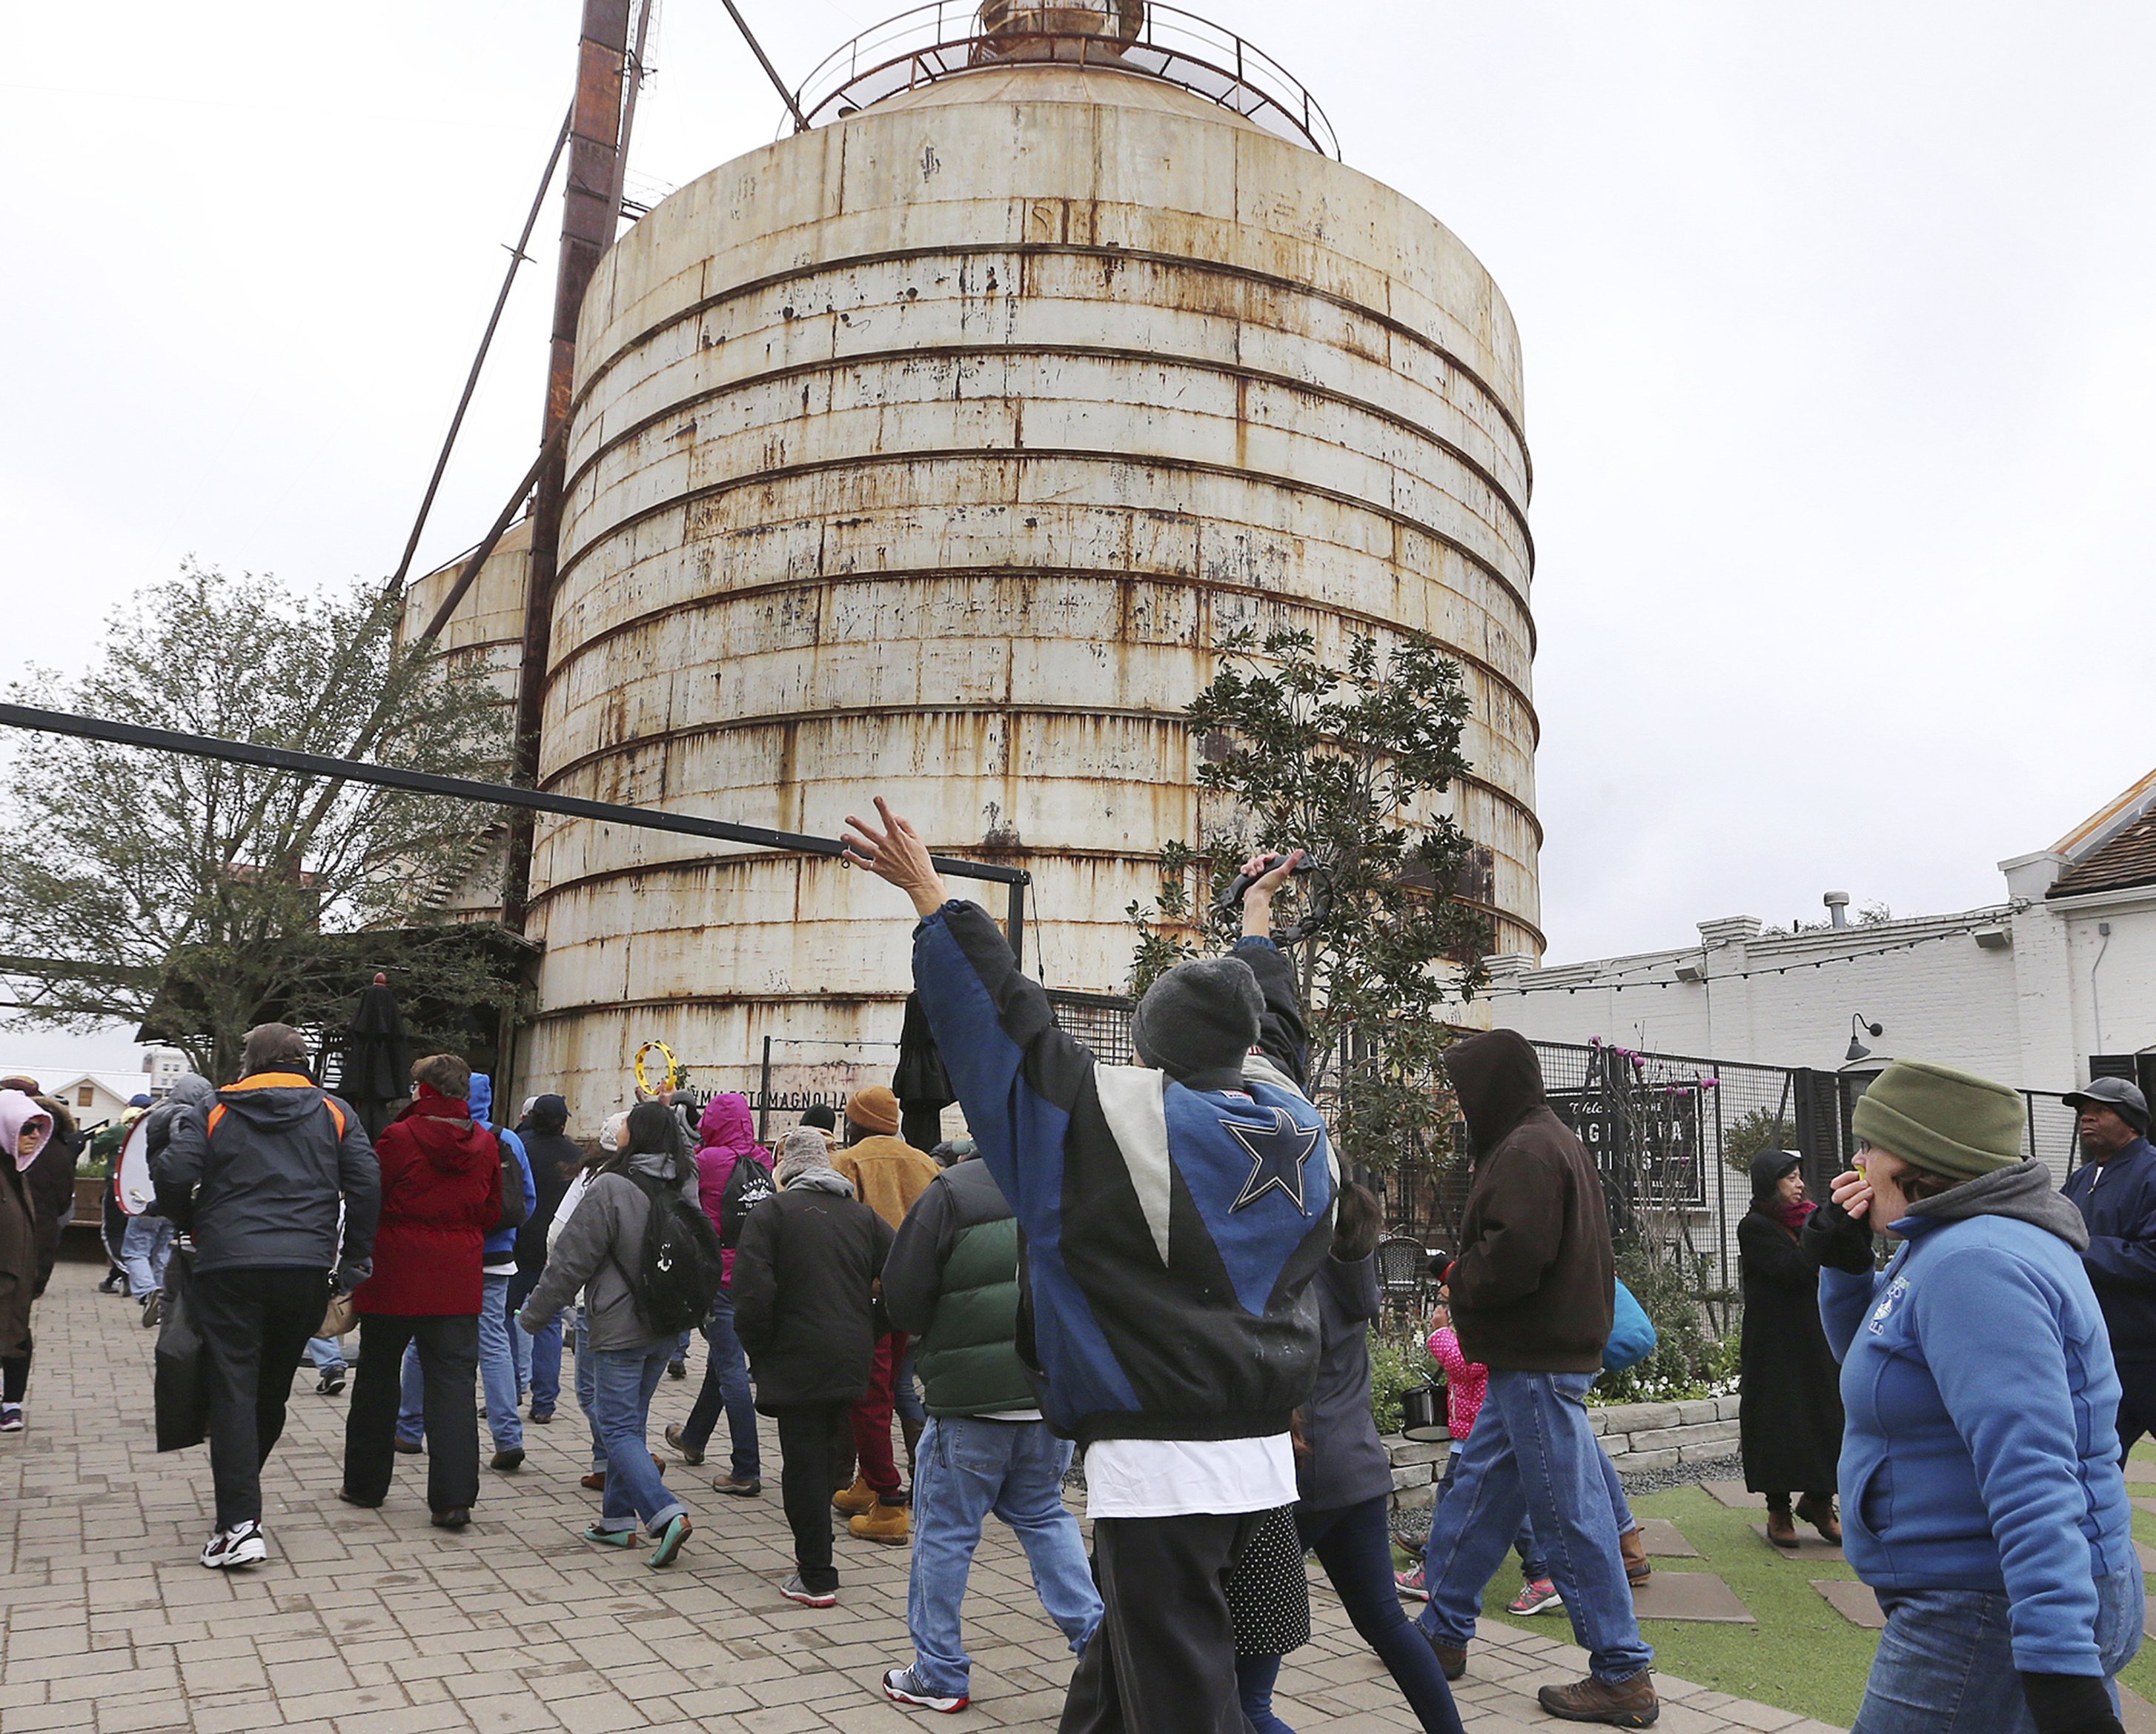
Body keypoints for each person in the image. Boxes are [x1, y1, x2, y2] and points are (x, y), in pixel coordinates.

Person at [843, 801, 1336, 1734]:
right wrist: (1255, 926)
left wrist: (931, 897)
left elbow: (1008, 1037)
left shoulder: (1116, 1130)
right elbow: (1275, 1031)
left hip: (1162, 1465)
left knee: (1184, 1700)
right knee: (1122, 1675)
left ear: (1146, 1049)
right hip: (1260, 1452)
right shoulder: (1292, 1119)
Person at [1807, 1058, 2140, 1734]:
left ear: (1919, 1158)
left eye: (1869, 1145)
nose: (1857, 1160)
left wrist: (2056, 1661)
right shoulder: (1947, 1238)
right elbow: (1876, 1365)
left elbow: (2031, 1466)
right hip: (1974, 1596)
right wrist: (1845, 1268)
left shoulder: (1973, 1260)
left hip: (1981, 1610)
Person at [1413, 1029, 1655, 1727]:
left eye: (1464, 1093)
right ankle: (1442, 1632)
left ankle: (1621, 1672)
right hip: (1536, 1357)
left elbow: (1514, 1258)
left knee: (1567, 1514)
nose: (1461, 1108)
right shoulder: (1549, 1139)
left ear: (1490, 1088)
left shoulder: (1522, 1150)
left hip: (1536, 1360)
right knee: (1480, 1491)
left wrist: (1458, 1278)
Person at [878, 1137, 1102, 1713]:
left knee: (944, 1534)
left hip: (969, 1405)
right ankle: (1100, 1647)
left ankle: (938, 1672)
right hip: (1047, 1399)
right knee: (1045, 1514)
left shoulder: (950, 1193)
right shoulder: (1067, 1189)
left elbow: (902, 1298)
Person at [153, 1023, 380, 1567]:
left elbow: (175, 1173)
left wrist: (189, 1223)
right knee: (270, 1391)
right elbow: (368, 1183)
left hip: (228, 1265)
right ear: (303, 1061)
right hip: (304, 1268)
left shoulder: (213, 1108)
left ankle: (237, 1522)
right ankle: (242, 1498)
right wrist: (354, 1259)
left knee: (234, 1388)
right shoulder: (335, 1112)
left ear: (247, 1061)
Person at [1242, 1184, 1465, 1734]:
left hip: (1295, 1476)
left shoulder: (1291, 1276)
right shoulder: (1348, 1270)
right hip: (1358, 1470)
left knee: (1245, 1692)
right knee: (1385, 1621)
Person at [519, 1101, 697, 1568]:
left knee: (616, 1426)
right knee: (629, 1423)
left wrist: (533, 1317)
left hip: (618, 1326)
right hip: (665, 1322)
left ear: (634, 1137)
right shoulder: (685, 1183)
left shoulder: (610, 1187)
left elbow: (570, 1263)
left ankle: (663, 1513)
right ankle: (617, 1521)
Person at [732, 1126, 893, 1607]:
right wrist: (872, 1327)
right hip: (848, 1355)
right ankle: (817, 1553)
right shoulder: (863, 1217)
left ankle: (817, 1572)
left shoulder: (772, 1214)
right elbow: (905, 1272)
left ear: (786, 1168)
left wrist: (762, 1350)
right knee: (825, 1456)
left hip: (795, 1356)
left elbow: (750, 1295)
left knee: (801, 1463)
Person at [339, 1054, 500, 1530]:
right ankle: (453, 1500)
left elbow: (373, 1197)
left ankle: (365, 1485)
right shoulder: (486, 1143)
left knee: (377, 1378)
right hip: (458, 1277)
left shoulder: (399, 1137)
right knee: (452, 1387)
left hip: (397, 1274)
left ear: (424, 1090)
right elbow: (493, 1210)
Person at [829, 1083, 940, 1543]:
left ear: (856, 1122)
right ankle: (868, 1482)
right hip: (912, 1294)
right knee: (892, 1386)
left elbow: (837, 1228)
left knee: (868, 1397)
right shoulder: (925, 1162)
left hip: (864, 1296)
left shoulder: (847, 1162)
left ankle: (891, 1503)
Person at [664, 1091, 768, 1496]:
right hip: (756, 1279)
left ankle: (746, 1468)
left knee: (730, 1372)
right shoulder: (763, 1159)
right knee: (722, 1362)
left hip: (718, 1280)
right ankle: (693, 1437)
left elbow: (680, 1166)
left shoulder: (707, 1161)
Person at [1738, 1149, 1843, 1547]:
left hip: (1817, 1337)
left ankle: (1820, 1501)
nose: (1800, 1185)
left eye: (1800, 1177)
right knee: (1777, 1418)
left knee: (1827, 1413)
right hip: (1773, 1343)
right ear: (1770, 1184)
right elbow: (1793, 1270)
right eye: (1790, 1179)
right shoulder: (1755, 1227)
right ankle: (1778, 1509)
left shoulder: (1810, 1221)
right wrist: (1820, 1234)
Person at [2060, 1077, 2156, 1458]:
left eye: (2101, 1110)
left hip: (2149, 1352)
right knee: (2096, 1462)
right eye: (2084, 1112)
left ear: (2132, 1122)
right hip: (2099, 1351)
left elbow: (2151, 1258)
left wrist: (2077, 1249)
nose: (2088, 1118)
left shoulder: (2151, 1173)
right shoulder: (2081, 1179)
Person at [511, 1093, 582, 1426]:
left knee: (507, 1322)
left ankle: (509, 1389)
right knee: (550, 1325)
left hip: (519, 1249)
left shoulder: (520, 1149)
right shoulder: (578, 1156)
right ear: (564, 1121)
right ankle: (544, 1402)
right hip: (558, 1254)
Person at [127, 1076, 216, 1329]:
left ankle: (155, 1297)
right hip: (181, 1196)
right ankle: (158, 1297)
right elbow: (183, 1152)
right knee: (162, 1254)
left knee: (151, 1254)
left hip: (161, 1194)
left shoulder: (158, 1113)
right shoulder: (184, 1114)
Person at [0, 1090, 56, 1433]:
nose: (34, 1136)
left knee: (16, 1336)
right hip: (6, 1275)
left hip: (18, 1277)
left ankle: (12, 1402)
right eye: (26, 1128)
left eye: (38, 1128)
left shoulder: (17, 1171)